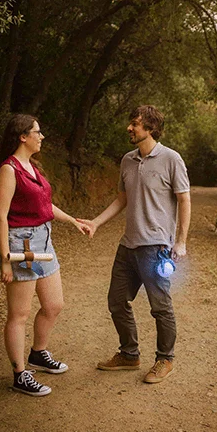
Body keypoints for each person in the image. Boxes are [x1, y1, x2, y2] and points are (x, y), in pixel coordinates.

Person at [78, 105, 191, 383]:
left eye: (135, 124)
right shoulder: (127, 160)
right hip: (128, 245)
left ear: (150, 128)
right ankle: (129, 354)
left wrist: (181, 242)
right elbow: (122, 199)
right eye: (131, 123)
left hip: (155, 248)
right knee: (116, 301)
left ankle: (165, 359)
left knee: (160, 307)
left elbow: (185, 199)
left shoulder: (171, 159)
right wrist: (96, 222)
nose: (129, 128)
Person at [0, 114, 87, 397]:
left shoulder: (31, 167)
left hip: (44, 240)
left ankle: (38, 354)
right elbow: (0, 215)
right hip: (22, 245)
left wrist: (73, 221)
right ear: (23, 136)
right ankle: (20, 374)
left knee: (54, 305)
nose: (42, 136)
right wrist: (6, 258)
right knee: (19, 314)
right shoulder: (9, 170)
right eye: (37, 132)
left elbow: (46, 205)